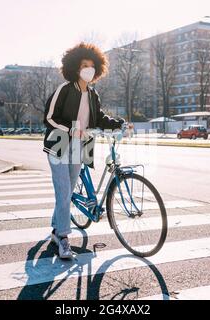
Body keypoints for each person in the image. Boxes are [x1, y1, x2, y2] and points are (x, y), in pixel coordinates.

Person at [43, 43, 125, 259]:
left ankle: (55, 229)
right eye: (84, 65)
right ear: (75, 67)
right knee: (63, 191)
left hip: (80, 147)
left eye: (92, 66)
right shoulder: (64, 89)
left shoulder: (92, 94)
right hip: (59, 144)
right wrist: (71, 128)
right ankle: (63, 237)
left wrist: (118, 124)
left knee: (68, 192)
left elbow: (98, 118)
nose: (88, 69)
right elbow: (49, 118)